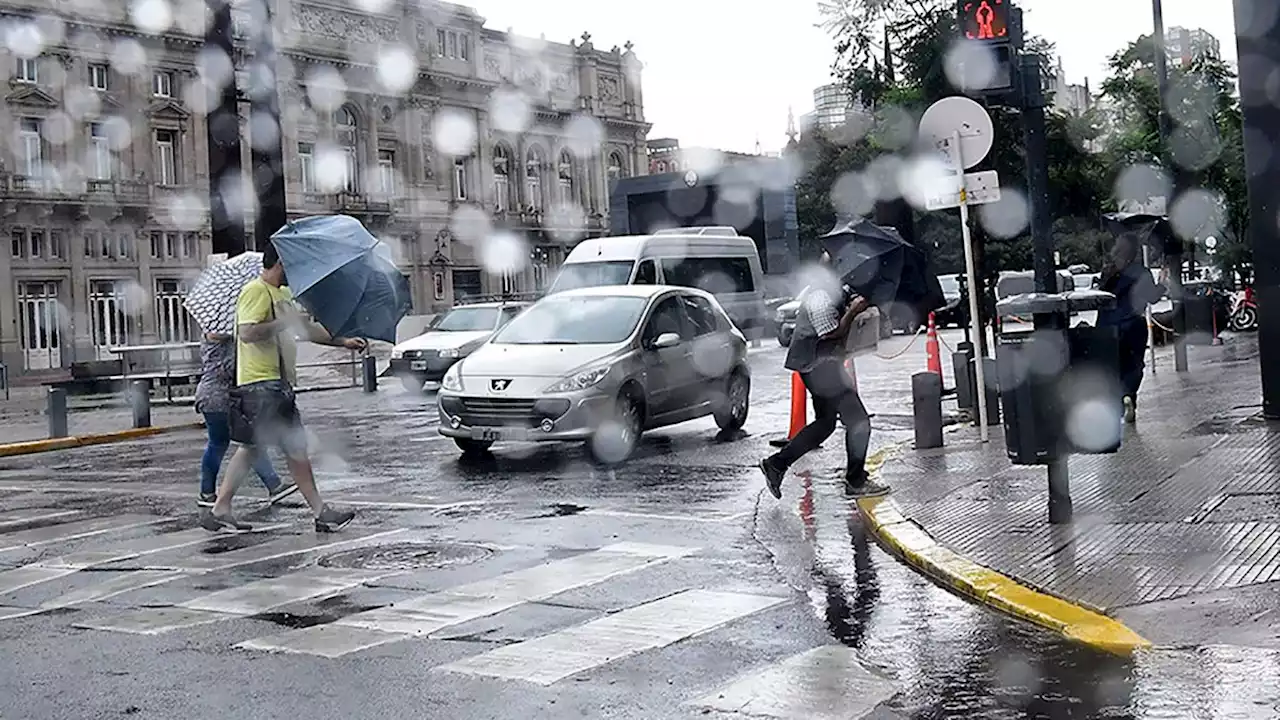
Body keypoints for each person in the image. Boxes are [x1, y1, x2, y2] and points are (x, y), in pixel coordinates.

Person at [200, 246, 367, 533]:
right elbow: (249, 332)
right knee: (282, 448)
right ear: (279, 263)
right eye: (292, 266)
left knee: (261, 448)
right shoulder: (256, 291)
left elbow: (304, 330)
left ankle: (222, 509)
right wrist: (283, 323)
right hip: (260, 383)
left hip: (277, 384)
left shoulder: (283, 294)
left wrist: (343, 342)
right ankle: (319, 512)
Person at [758, 256, 889, 499]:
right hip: (819, 367)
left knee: (826, 423)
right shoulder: (819, 296)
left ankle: (776, 465)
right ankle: (855, 481)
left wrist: (858, 304)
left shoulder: (836, 291)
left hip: (823, 365)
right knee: (859, 422)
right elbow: (831, 332)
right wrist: (852, 312)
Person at [194, 332, 297, 507]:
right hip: (216, 397)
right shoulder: (218, 338)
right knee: (220, 443)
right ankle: (207, 493)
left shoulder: (225, 337)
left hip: (227, 396)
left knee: (251, 442)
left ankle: (274, 485)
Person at [1096, 234, 1165, 424]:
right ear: (1134, 251)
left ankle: (1118, 404)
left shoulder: (1108, 272)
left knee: (1114, 367)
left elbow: (1100, 298)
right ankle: (1129, 395)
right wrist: (1162, 284)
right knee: (1134, 365)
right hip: (1134, 324)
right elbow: (1152, 297)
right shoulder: (1141, 272)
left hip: (1109, 326)